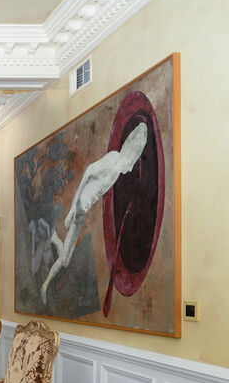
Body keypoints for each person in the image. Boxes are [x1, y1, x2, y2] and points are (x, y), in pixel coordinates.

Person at [39, 123, 148, 303]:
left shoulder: (117, 170)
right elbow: (89, 172)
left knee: (65, 258)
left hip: (82, 210)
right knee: (65, 261)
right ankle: (45, 283)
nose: (131, 165)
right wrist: (73, 208)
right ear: (131, 151)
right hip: (80, 207)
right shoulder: (113, 159)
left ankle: (53, 240)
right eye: (134, 158)